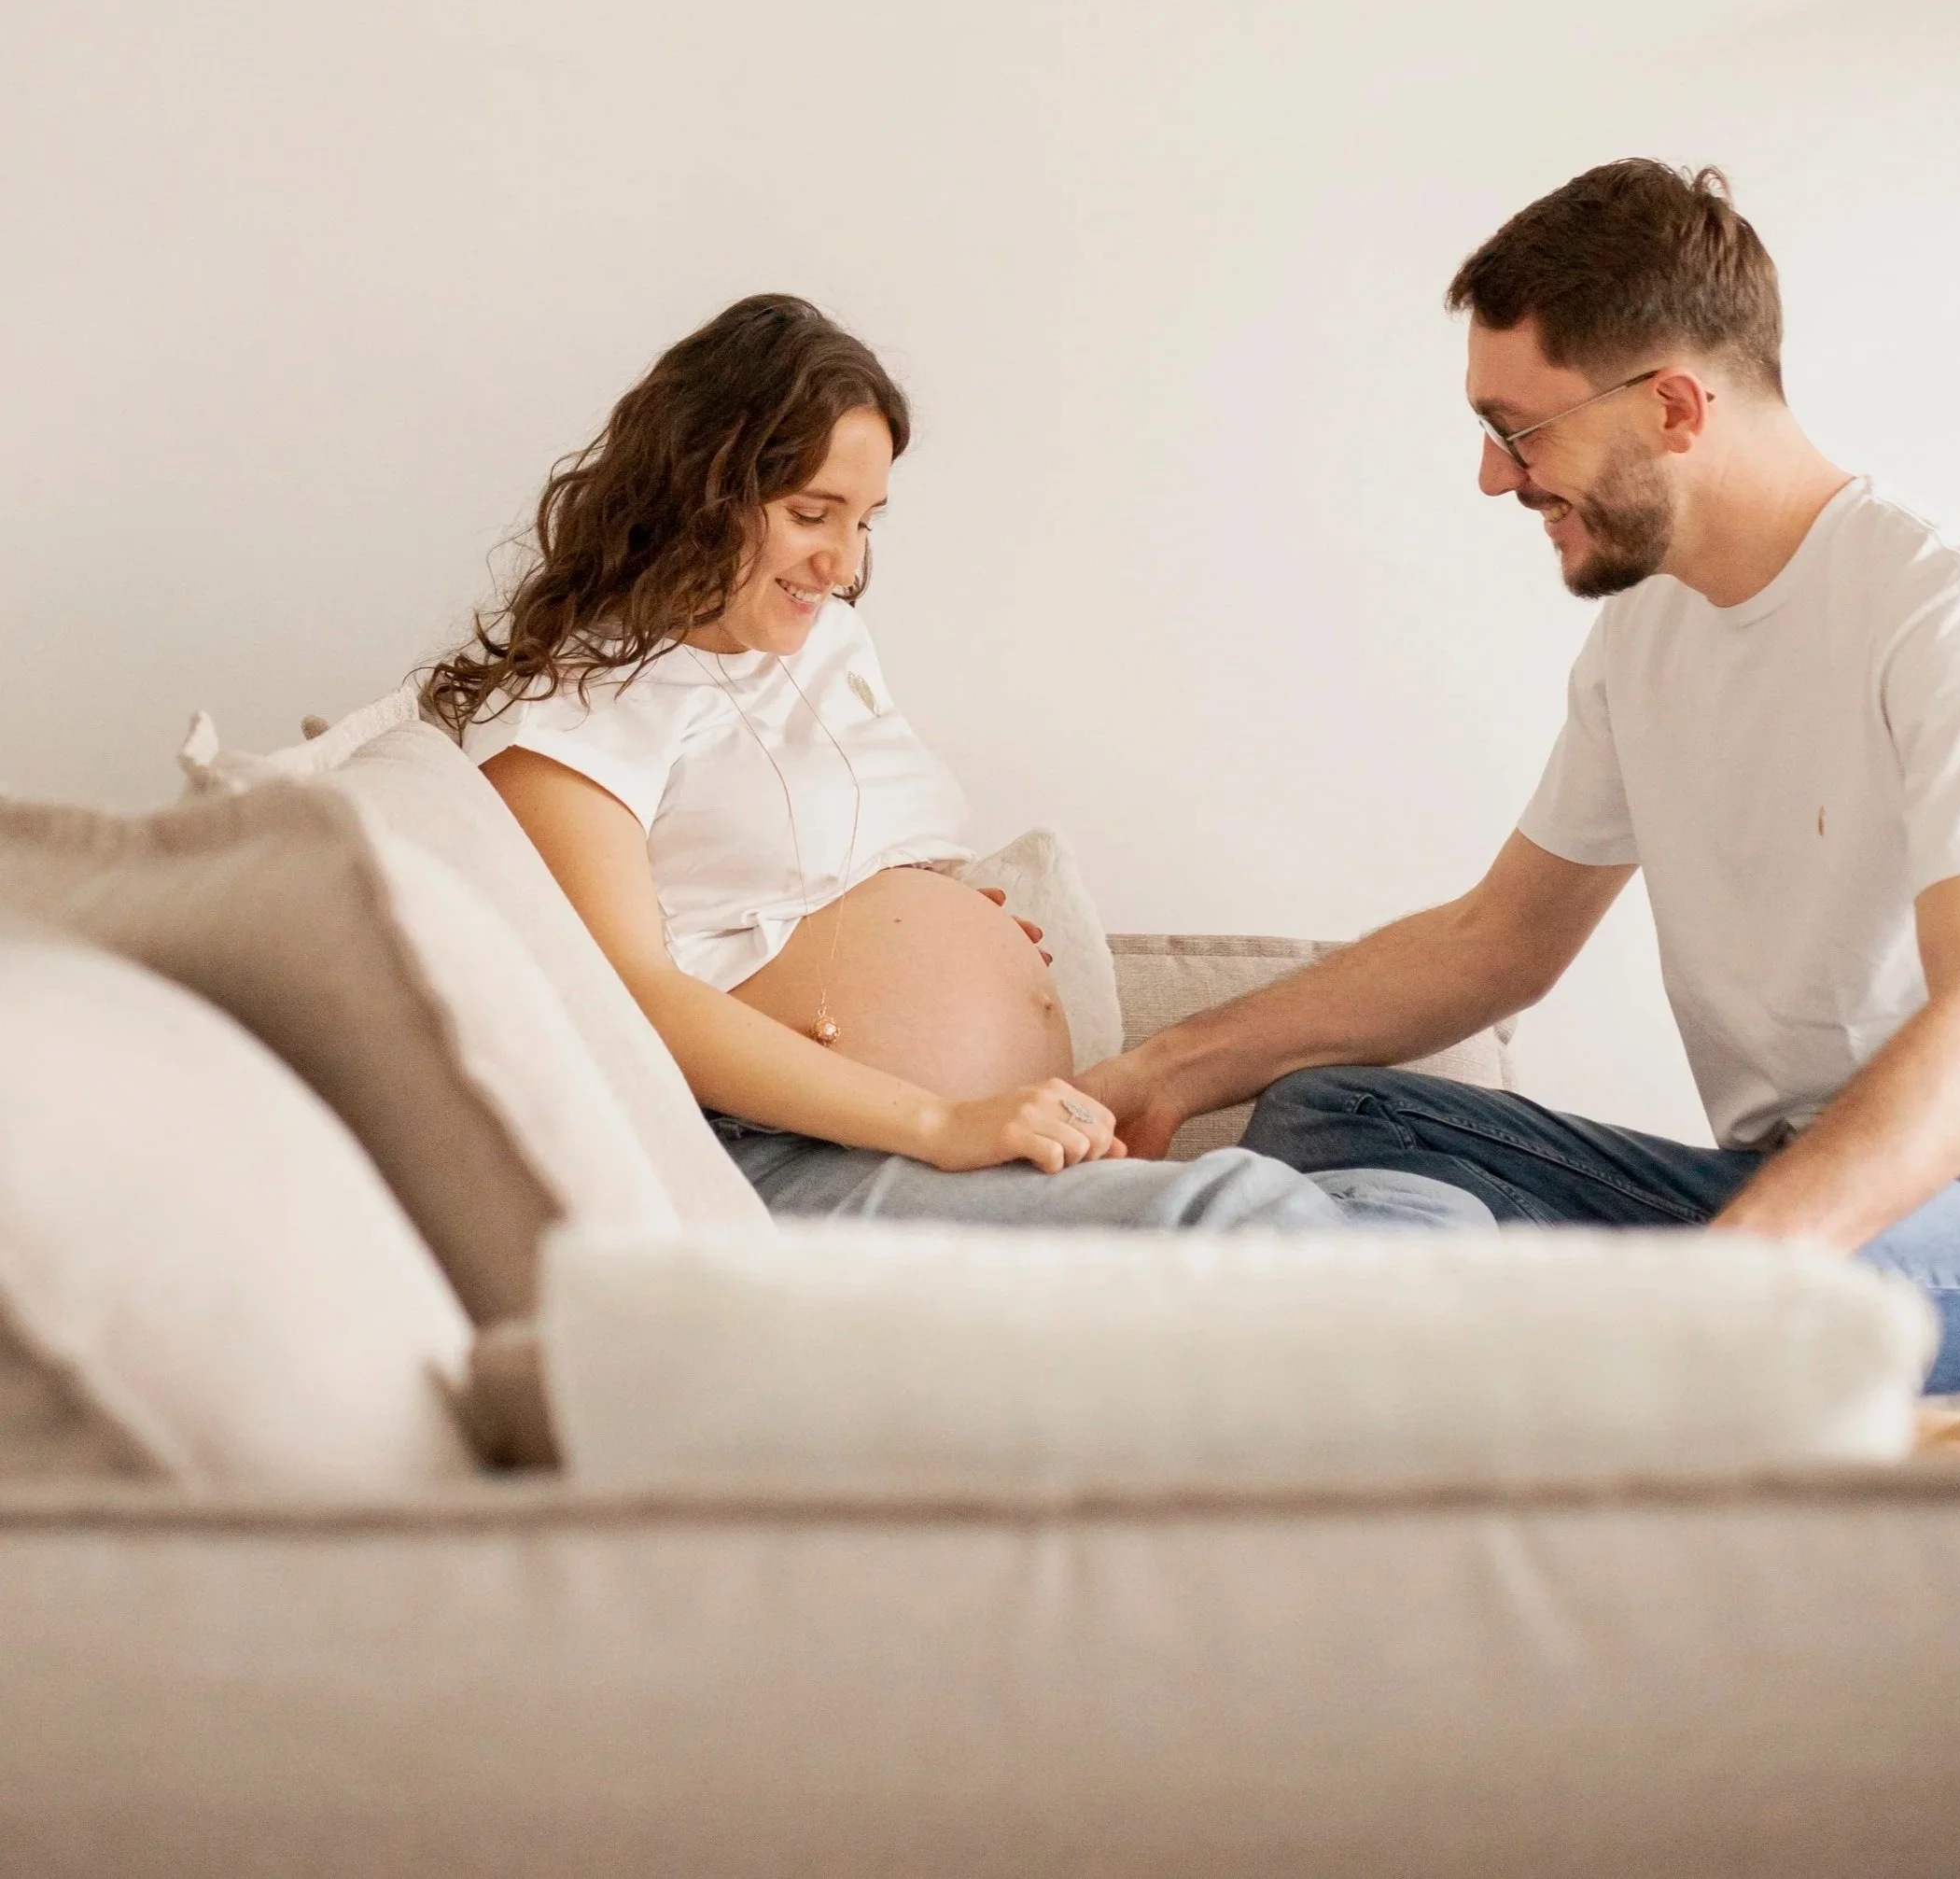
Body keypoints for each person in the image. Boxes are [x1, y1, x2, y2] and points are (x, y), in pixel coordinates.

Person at [1081, 161, 1960, 1428]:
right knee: (1330, 1108)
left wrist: (1747, 1275)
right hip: (1762, 1194)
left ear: (1675, 407)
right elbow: (1500, 941)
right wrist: (1168, 1064)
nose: (1496, 477)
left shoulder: (1944, 605)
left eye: (1519, 427)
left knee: (1746, 1294)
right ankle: (1525, 1357)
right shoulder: (1645, 638)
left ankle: (1524, 1361)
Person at [424, 294, 1475, 1237]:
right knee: (1242, 1211)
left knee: (1428, 1204)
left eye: (865, 520)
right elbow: (633, 994)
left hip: (966, 1140)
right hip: (775, 1152)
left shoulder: (822, 643)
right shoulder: (572, 704)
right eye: (809, 513)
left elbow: (802, 866)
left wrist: (932, 914)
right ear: (700, 487)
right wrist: (940, 1111)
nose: (843, 564)